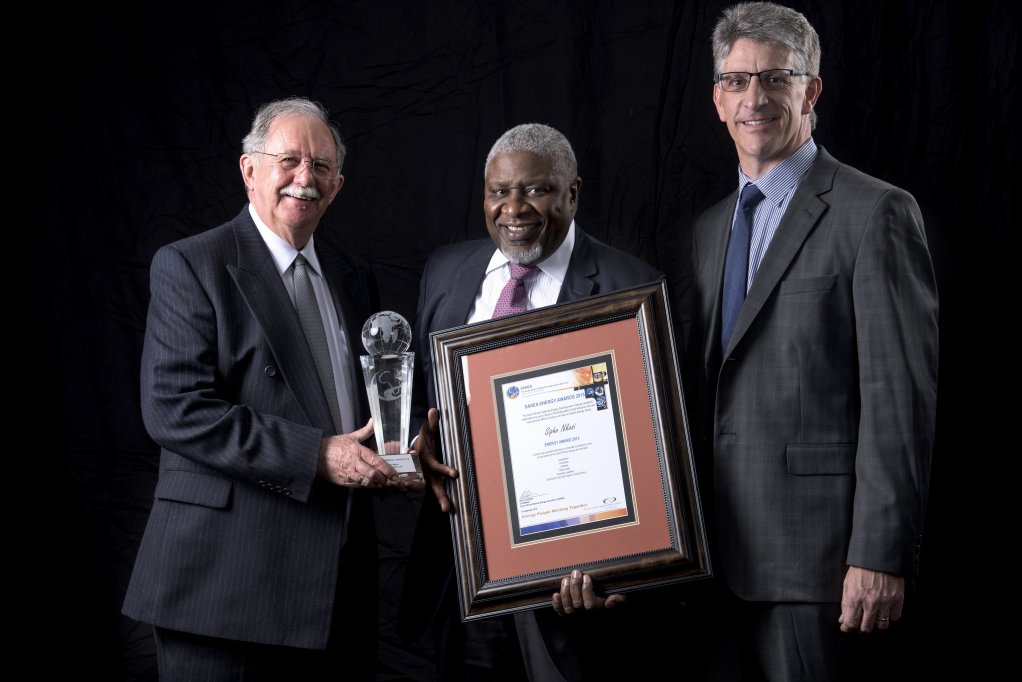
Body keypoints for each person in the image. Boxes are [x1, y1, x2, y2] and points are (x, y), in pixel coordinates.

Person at [122, 96, 421, 681]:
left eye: (322, 167)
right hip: (224, 588)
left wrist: (396, 453)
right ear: (249, 169)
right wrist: (317, 454)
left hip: (333, 589)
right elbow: (173, 410)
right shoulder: (191, 264)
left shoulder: (352, 275)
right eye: (289, 160)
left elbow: (355, 412)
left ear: (337, 186)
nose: (305, 179)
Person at [684, 3, 939, 680]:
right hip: (711, 561)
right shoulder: (711, 230)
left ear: (811, 90)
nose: (754, 99)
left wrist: (879, 553)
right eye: (736, 82)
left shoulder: (875, 212)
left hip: (819, 565)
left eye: (775, 78)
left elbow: (899, 397)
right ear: (716, 98)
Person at [399, 123, 668, 681]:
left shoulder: (630, 285)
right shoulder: (447, 272)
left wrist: (619, 567)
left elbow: (652, 447)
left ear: (573, 193)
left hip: (567, 586)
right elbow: (429, 403)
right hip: (460, 572)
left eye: (536, 190)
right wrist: (421, 447)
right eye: (498, 192)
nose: (513, 208)